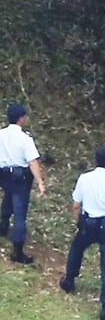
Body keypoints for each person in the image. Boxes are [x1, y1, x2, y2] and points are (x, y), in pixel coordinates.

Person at [60, 145, 105, 320]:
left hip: (88, 221)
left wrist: (79, 220)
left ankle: (69, 278)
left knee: (77, 248)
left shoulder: (84, 178)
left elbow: (76, 204)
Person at [0, 102, 46, 264]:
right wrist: (40, 182)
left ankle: (3, 226)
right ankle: (17, 251)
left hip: (3, 175)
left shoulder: (1, 134)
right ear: (21, 119)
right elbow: (32, 161)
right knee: (20, 212)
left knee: (8, 197)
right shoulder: (24, 138)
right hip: (19, 177)